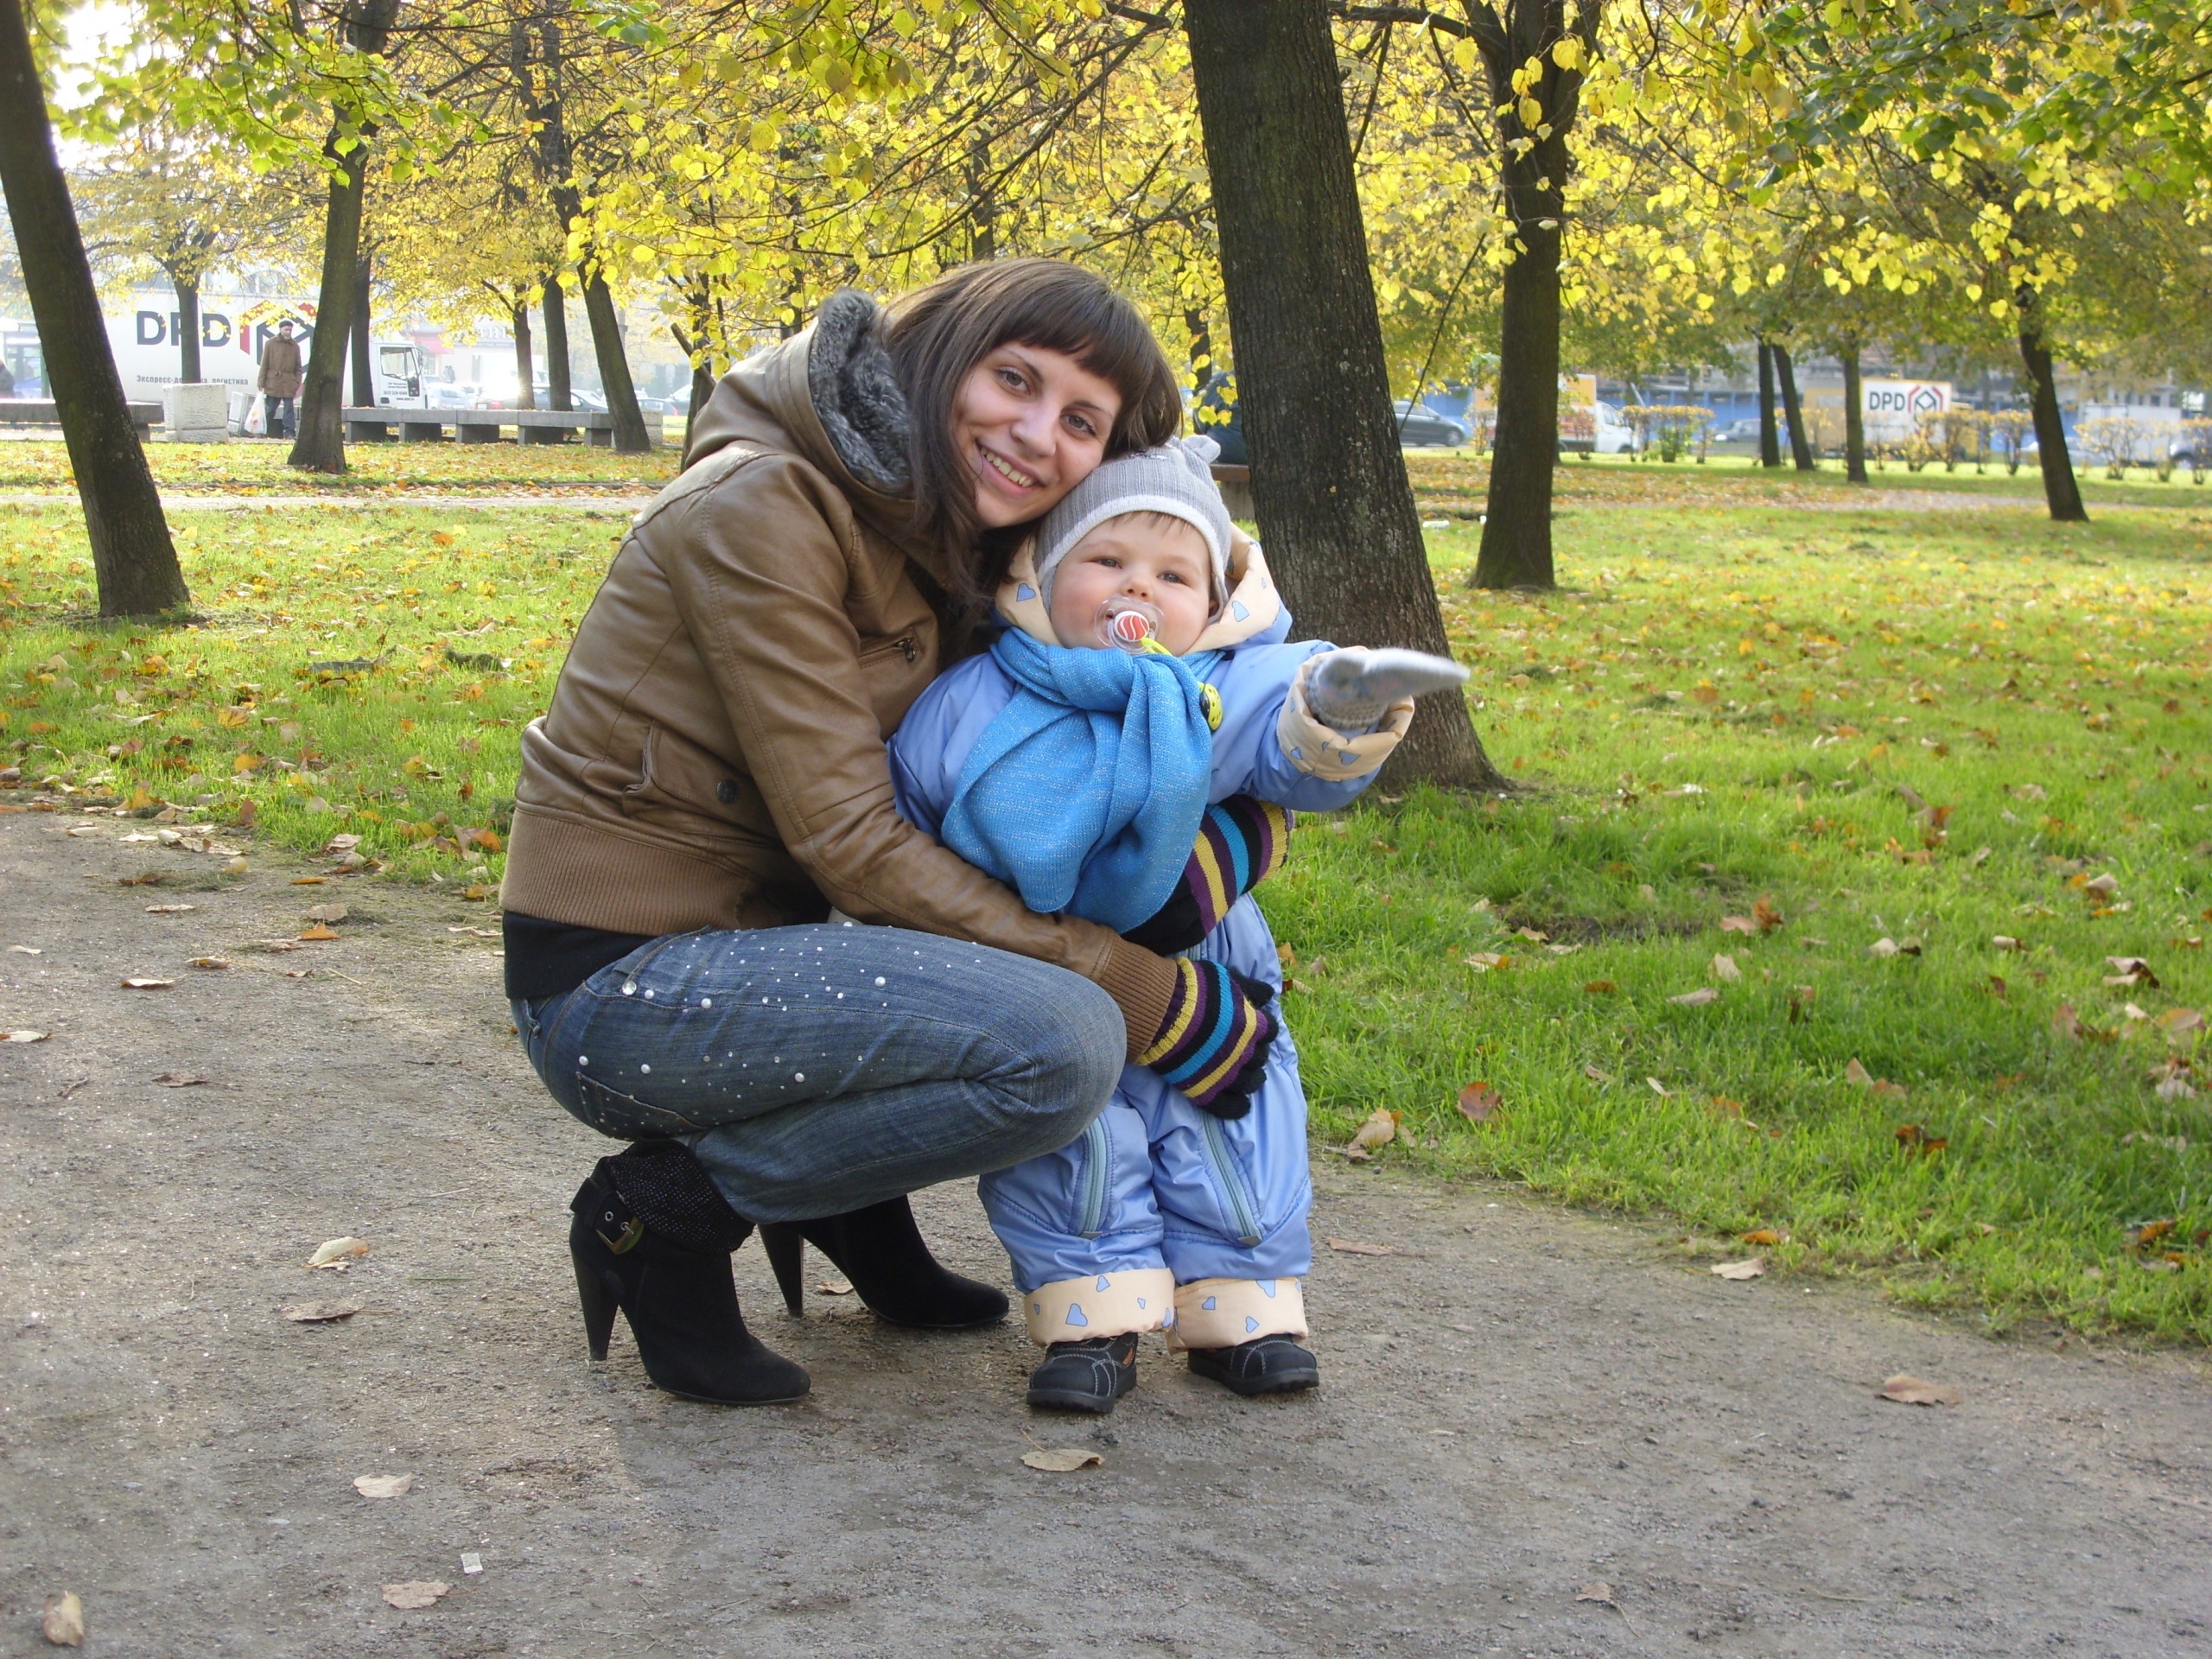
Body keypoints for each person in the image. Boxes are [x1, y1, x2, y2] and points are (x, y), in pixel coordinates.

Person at [500, 260, 1287, 1408]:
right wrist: (1133, 984)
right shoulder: (762, 502)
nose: (1036, 434)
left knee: (1075, 984)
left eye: (1082, 421)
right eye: (1013, 380)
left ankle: (848, 1200)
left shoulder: (952, 531)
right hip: (619, 984)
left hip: (778, 950)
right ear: (938, 356)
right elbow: (853, 843)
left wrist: (1249, 803)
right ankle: (664, 1216)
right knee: (1064, 1041)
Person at [883, 439, 1459, 1412]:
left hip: (1207, 957)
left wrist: (1334, 704)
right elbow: (916, 788)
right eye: (1106, 560)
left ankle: (1242, 1300)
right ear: (1041, 573)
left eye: (1174, 574)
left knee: (1231, 1113)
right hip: (1040, 952)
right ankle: (1091, 1312)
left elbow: (1278, 735)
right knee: (1070, 1124)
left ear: (1216, 599)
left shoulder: (1218, 678)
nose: (1137, 588)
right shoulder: (985, 690)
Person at [257, 320, 302, 438]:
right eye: (286, 329)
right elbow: (264, 364)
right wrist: (261, 382)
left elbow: (298, 367)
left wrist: (296, 382)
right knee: (270, 409)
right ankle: (263, 431)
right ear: (280, 329)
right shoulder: (270, 343)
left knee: (289, 410)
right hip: (273, 382)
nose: (288, 332)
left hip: (289, 383)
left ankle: (289, 432)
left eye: (290, 330)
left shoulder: (295, 346)